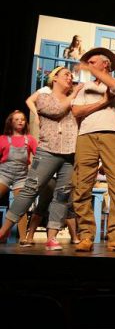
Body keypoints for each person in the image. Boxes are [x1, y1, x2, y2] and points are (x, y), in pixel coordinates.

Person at [0, 67, 82, 250]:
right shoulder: (44, 97)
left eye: (71, 75)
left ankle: (51, 237)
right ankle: (4, 230)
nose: (70, 77)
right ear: (55, 79)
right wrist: (75, 92)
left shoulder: (76, 100)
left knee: (62, 196)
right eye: (66, 74)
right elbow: (58, 110)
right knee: (30, 190)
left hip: (70, 153)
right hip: (48, 151)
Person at [71, 47, 115, 252]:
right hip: (86, 136)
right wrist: (101, 103)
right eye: (87, 63)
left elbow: (114, 85)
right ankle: (86, 235)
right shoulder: (84, 87)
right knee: (81, 185)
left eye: (92, 62)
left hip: (111, 134)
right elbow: (76, 111)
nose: (88, 65)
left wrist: (92, 72)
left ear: (105, 64)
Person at [0, 110, 38, 243]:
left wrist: (35, 171)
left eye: (22, 119)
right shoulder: (3, 139)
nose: (20, 121)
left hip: (22, 176)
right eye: (16, 119)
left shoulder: (30, 139)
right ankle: (3, 234)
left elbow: (39, 156)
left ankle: (23, 238)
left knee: (21, 205)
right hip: (4, 174)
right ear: (10, 122)